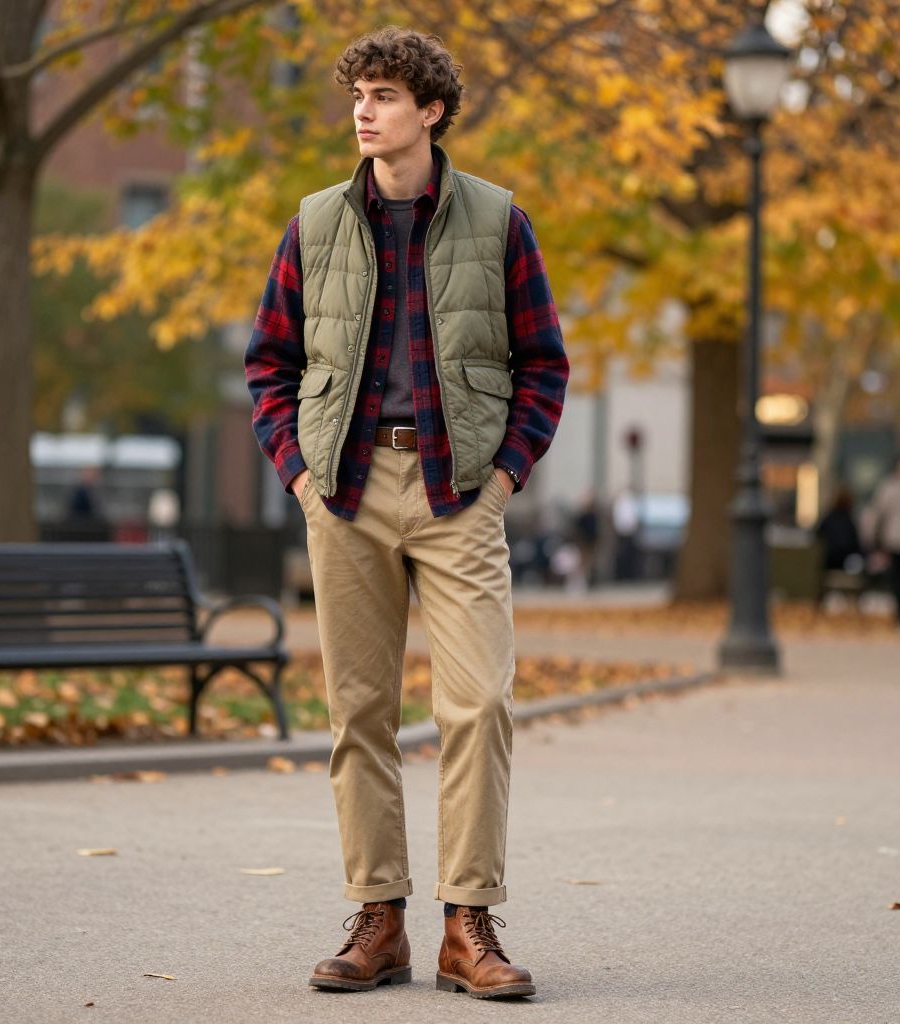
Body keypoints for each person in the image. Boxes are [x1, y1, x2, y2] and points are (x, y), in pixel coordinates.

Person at [244, 26, 569, 1000]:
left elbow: (542, 365)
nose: (363, 110)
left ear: (430, 110)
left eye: (382, 94)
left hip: (457, 491)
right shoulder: (312, 224)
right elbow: (269, 364)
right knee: (360, 712)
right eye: (357, 95)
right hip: (341, 492)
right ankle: (377, 918)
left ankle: (467, 922)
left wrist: (504, 479)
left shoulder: (497, 221)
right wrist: (300, 477)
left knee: (478, 703)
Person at [865, 453, 900, 624]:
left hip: (896, 539)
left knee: (899, 579)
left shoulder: (890, 488)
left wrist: (873, 538)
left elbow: (878, 514)